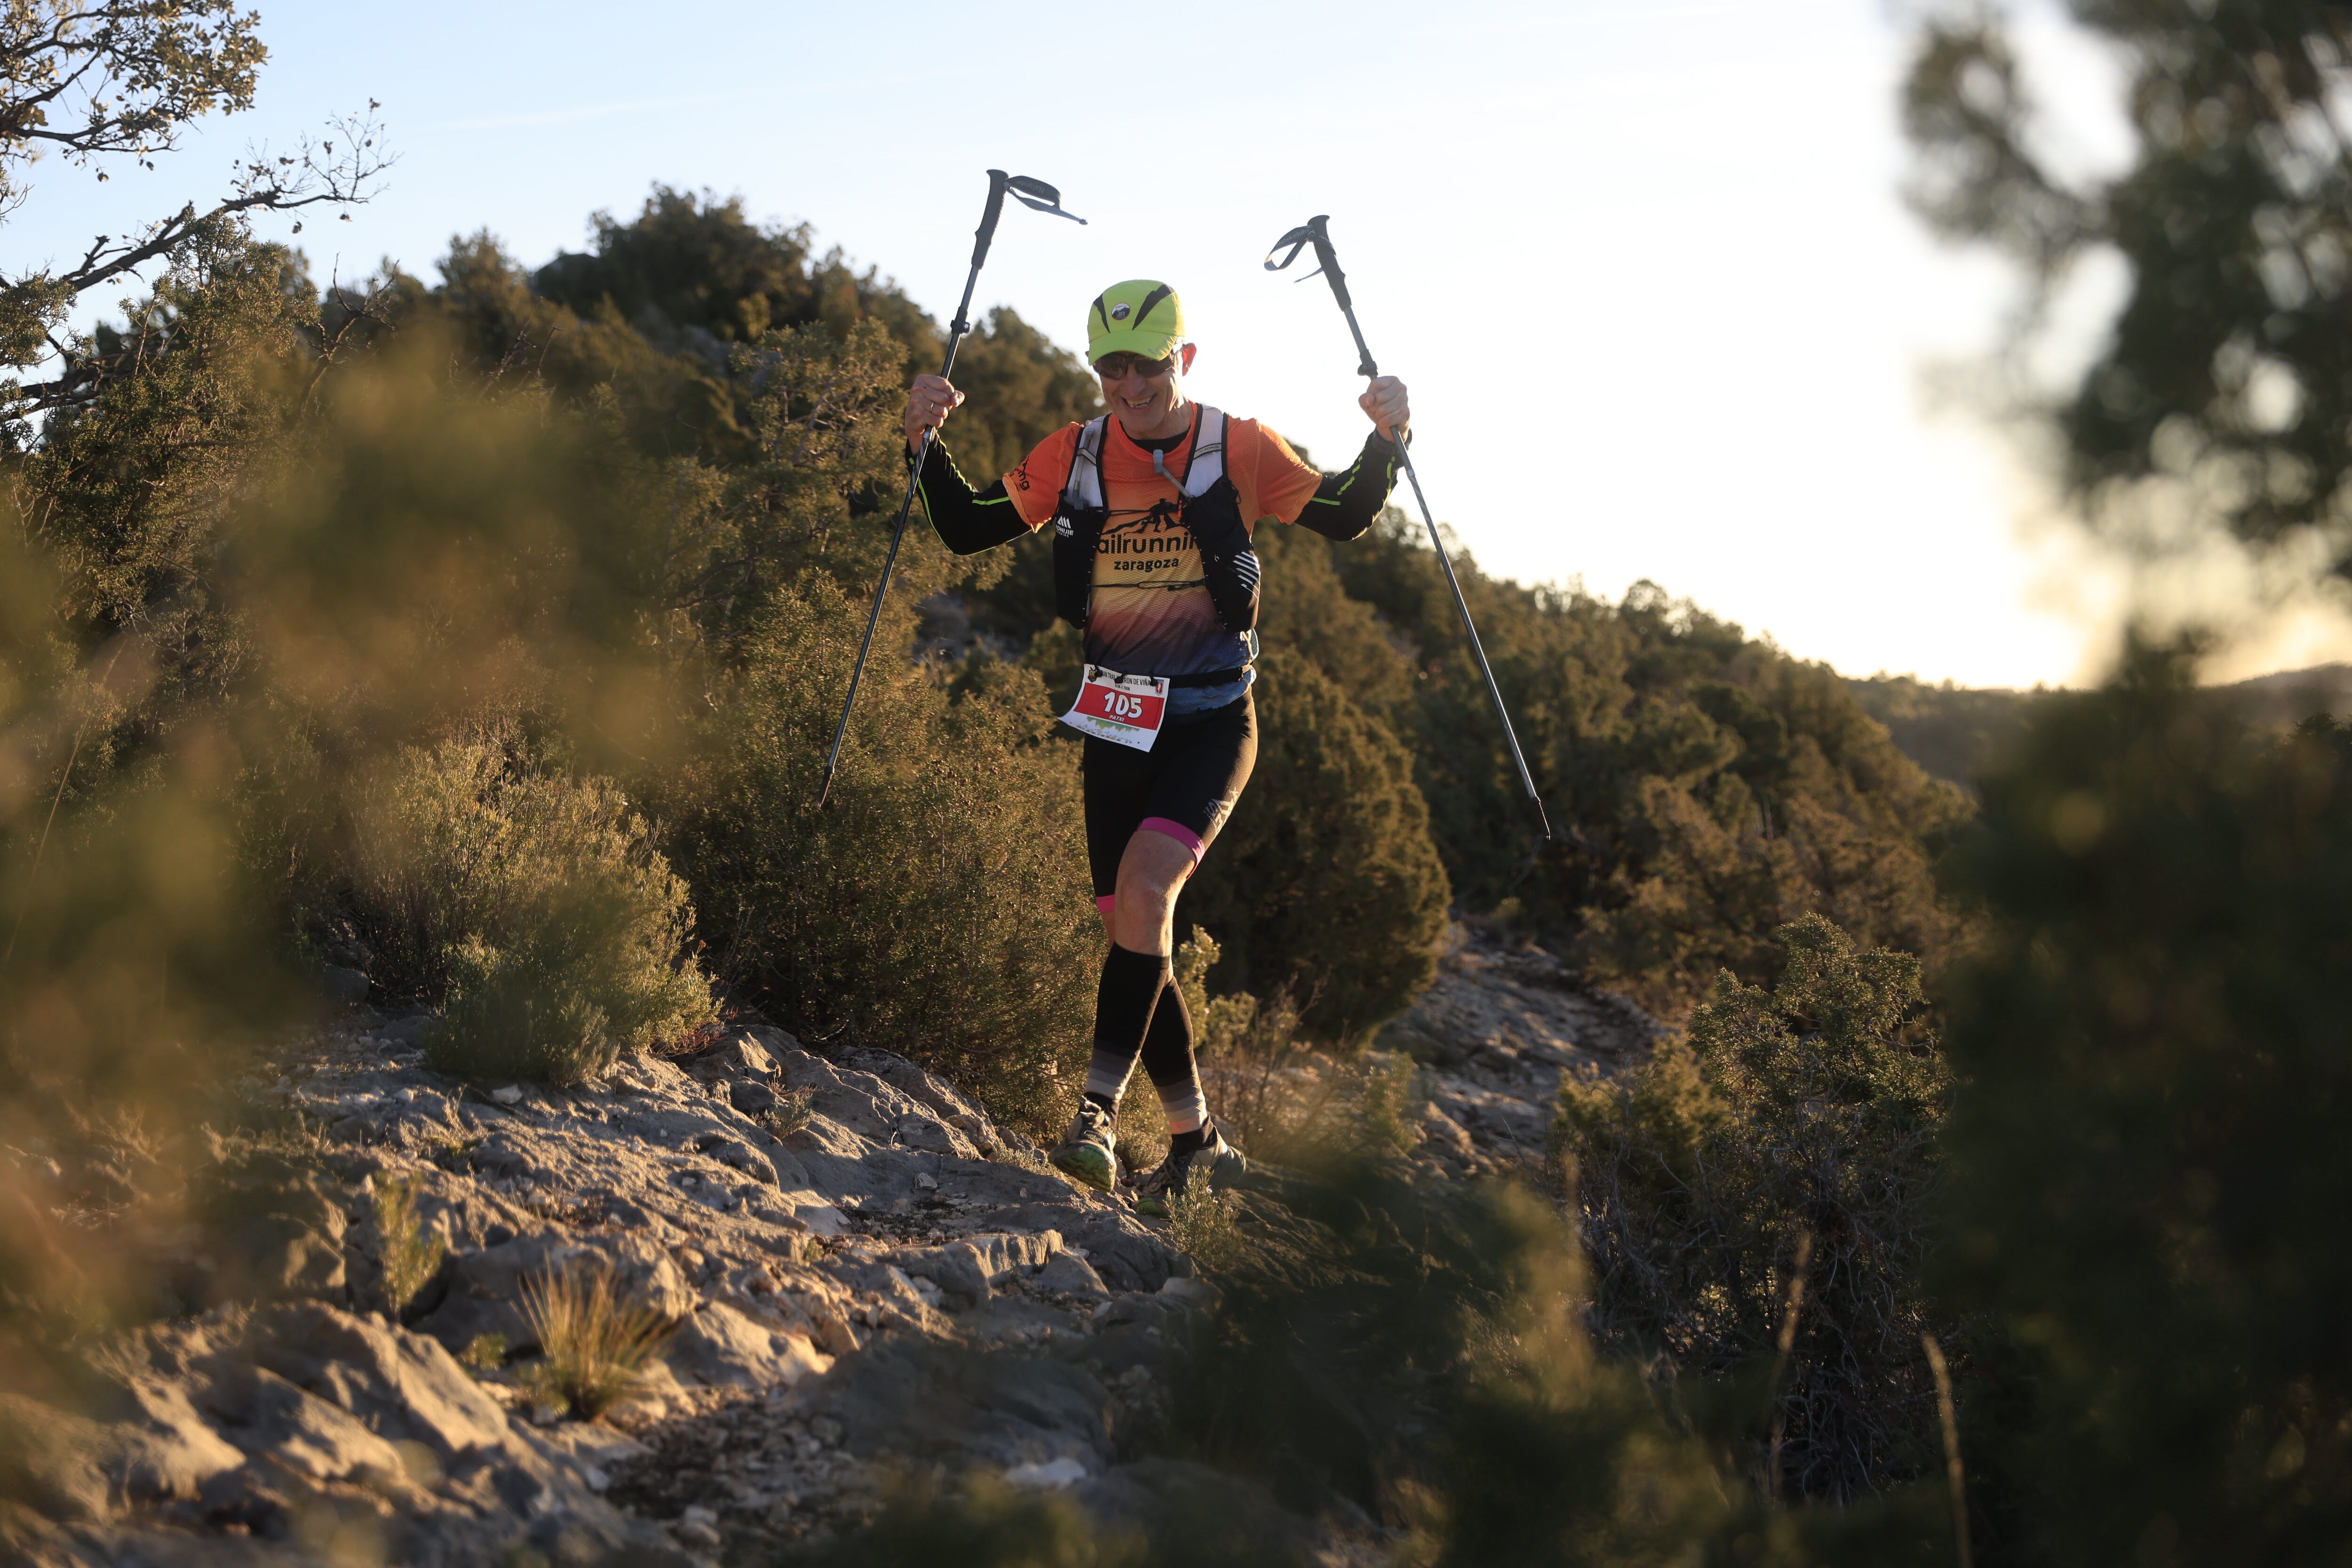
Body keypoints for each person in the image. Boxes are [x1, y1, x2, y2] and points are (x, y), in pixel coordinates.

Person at [903, 279, 1408, 1213]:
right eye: (1110, 368)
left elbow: (1342, 512)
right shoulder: (1078, 451)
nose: (1127, 384)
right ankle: (1197, 1140)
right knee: (1134, 928)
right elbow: (968, 527)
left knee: (1145, 893)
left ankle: (1093, 1113)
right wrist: (924, 443)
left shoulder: (1238, 446)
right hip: (1114, 722)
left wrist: (1387, 439)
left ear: (1184, 358)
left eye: (1145, 364)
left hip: (1213, 721)